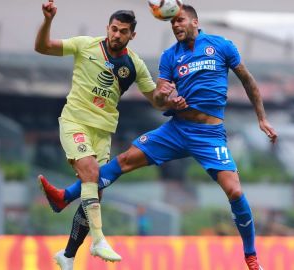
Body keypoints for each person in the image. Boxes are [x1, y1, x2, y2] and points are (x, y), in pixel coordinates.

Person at [40, 5, 277, 270]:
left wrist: (262, 117)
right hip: (176, 130)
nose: (175, 26)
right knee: (126, 159)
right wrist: (168, 96)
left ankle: (251, 257)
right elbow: (160, 100)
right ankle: (65, 198)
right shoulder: (169, 57)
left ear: (195, 21)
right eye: (172, 23)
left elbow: (247, 80)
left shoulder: (221, 46)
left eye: (180, 20)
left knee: (234, 190)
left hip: (209, 135)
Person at [35, 0, 187, 268]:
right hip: (75, 122)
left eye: (123, 31)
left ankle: (68, 255)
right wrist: (48, 20)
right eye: (114, 29)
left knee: (94, 192)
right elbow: (42, 47)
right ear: (107, 28)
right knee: (91, 174)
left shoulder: (135, 65)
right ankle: (98, 238)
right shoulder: (85, 45)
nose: (117, 35)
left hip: (103, 132)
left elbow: (155, 100)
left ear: (132, 35)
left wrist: (168, 99)